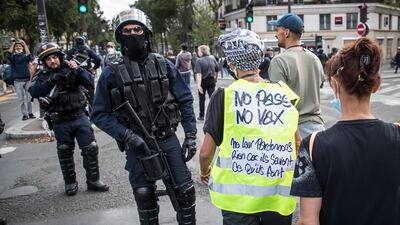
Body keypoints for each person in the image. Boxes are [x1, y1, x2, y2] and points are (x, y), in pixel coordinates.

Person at [91, 8, 197, 225]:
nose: (133, 34)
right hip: (137, 144)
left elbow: (185, 101)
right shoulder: (111, 73)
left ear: (146, 33)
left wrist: (191, 135)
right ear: (120, 37)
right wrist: (127, 136)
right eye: (127, 31)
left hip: (167, 139)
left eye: (137, 29)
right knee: (143, 195)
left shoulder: (165, 65)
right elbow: (99, 114)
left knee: (185, 191)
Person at [291, 37, 400, 225]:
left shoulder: (312, 146)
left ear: (334, 84)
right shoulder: (397, 137)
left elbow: (308, 220)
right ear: (377, 84)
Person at [199, 28, 301, 225]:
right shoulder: (283, 93)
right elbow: (297, 142)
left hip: (238, 202)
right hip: (277, 198)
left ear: (232, 63)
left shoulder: (225, 96)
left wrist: (204, 171)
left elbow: (205, 153)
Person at [29, 43, 109, 196]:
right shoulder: (43, 75)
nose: (52, 61)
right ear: (44, 62)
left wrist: (77, 69)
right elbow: (34, 91)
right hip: (60, 120)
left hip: (79, 116)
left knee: (90, 148)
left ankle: (94, 181)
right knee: (64, 151)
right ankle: (70, 183)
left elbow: (90, 81)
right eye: (48, 59)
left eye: (54, 57)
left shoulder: (71, 67)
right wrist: (52, 80)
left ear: (59, 57)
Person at [268, 13, 325, 138]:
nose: (275, 34)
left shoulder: (279, 61)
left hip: (295, 132)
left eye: (277, 30)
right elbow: (319, 84)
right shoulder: (315, 58)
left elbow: (278, 103)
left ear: (286, 32)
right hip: (318, 129)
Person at [66, 36, 101, 113]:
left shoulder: (71, 51)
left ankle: (80, 113)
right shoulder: (88, 51)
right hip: (87, 75)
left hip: (75, 77)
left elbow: (66, 63)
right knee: (91, 97)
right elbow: (98, 59)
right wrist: (94, 68)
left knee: (75, 95)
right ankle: (92, 115)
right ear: (84, 42)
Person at [5, 39, 35, 120]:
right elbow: (8, 55)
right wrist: (13, 44)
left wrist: (25, 44)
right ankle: (25, 114)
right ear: (14, 48)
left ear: (22, 47)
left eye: (19, 45)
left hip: (27, 80)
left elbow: (30, 57)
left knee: (29, 98)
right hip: (17, 81)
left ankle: (30, 113)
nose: (18, 47)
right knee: (21, 99)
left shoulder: (25, 56)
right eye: (16, 46)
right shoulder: (13, 57)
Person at [194, 45, 219, 121]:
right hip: (211, 80)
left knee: (202, 99)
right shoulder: (212, 59)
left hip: (203, 81)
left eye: (198, 51)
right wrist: (215, 79)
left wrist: (198, 85)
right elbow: (217, 70)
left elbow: (199, 74)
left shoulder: (199, 61)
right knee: (212, 98)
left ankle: (201, 115)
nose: (198, 52)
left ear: (202, 52)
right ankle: (214, 114)